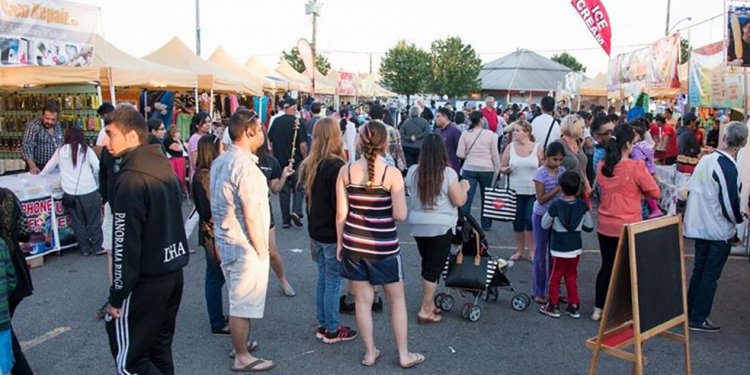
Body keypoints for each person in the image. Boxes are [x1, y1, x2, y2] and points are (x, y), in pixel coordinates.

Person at [103, 104, 189, 375]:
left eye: (110, 134)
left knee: (131, 361)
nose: (105, 141)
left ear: (131, 136)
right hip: (172, 273)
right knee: (159, 351)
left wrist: (117, 296)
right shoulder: (163, 168)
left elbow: (124, 243)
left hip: (146, 280)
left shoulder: (131, 179)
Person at [336, 120, 424, 369]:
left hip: (354, 243)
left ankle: (370, 352)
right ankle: (404, 354)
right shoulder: (392, 174)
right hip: (383, 246)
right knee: (397, 300)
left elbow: (341, 213)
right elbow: (400, 214)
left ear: (360, 142)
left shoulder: (347, 171)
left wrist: (341, 242)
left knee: (362, 301)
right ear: (385, 143)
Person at [210, 109, 275, 372]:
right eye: (259, 129)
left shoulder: (222, 161)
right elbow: (250, 212)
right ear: (249, 132)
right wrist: (262, 249)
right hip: (244, 244)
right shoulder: (245, 166)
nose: (261, 133)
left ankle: (242, 345)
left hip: (227, 239)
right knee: (242, 301)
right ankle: (242, 355)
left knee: (239, 299)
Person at [592, 123, 660, 321]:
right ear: (629, 144)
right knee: (628, 269)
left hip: (605, 224)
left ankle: (599, 307)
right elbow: (655, 192)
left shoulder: (602, 166)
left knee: (607, 266)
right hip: (629, 224)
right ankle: (626, 311)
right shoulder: (636, 167)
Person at [298, 118, 357, 344]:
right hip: (332, 233)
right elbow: (340, 206)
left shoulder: (311, 163)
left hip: (316, 231)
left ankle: (324, 323)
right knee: (332, 280)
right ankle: (332, 327)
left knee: (323, 278)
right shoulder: (337, 166)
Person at [684, 121, 748, 332]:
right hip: (717, 229)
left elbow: (696, 188)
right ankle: (698, 317)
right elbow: (730, 202)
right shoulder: (728, 166)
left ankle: (690, 311)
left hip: (700, 224)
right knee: (710, 274)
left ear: (724, 138)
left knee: (699, 270)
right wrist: (739, 219)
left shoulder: (706, 160)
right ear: (743, 142)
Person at [406, 134, 469, 324]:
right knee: (434, 268)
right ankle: (426, 309)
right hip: (440, 225)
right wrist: (464, 187)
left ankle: (429, 302)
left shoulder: (413, 171)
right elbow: (459, 201)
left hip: (417, 224)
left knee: (428, 263)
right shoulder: (448, 173)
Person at [539, 171, 593, 318]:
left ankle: (553, 305)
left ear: (561, 188)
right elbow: (589, 226)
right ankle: (574, 305)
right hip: (575, 247)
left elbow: (544, 224)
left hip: (559, 248)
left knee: (555, 277)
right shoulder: (582, 206)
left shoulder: (556, 206)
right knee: (571, 276)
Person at [41, 127, 102, 256]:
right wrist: (96, 182)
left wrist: (37, 177)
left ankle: (84, 249)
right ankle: (97, 247)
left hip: (70, 193)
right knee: (94, 220)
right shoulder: (86, 150)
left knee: (77, 221)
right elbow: (97, 167)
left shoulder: (60, 151)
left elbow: (47, 169)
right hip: (89, 190)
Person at [191, 134, 230, 335]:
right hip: (213, 232)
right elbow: (212, 209)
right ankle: (217, 321)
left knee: (214, 276)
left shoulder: (200, 174)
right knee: (216, 277)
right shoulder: (206, 176)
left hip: (208, 230)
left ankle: (217, 318)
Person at [255, 132, 296, 297]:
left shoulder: (270, 161)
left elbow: (275, 189)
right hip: (243, 212)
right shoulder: (242, 159)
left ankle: (283, 279)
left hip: (264, 211)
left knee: (272, 252)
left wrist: (284, 176)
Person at [0, 187, 33, 375]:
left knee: (6, 333)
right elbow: (24, 232)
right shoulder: (8, 195)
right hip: (15, 267)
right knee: (5, 330)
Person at [500, 120, 543, 261]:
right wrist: (506, 170)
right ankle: (519, 250)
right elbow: (502, 167)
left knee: (530, 219)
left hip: (532, 190)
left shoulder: (537, 148)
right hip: (514, 190)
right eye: (514, 130)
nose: (514, 133)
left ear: (527, 132)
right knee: (517, 221)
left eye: (517, 130)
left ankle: (532, 250)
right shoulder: (510, 147)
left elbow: (543, 167)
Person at [530, 142, 566, 305]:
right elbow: (541, 198)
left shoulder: (562, 171)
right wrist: (557, 189)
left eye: (560, 160)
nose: (557, 163)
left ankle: (553, 289)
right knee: (540, 254)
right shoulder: (540, 174)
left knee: (555, 254)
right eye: (554, 159)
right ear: (546, 157)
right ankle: (538, 290)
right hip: (541, 215)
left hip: (557, 216)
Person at [457, 111, 502, 231]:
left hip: (469, 167)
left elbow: (459, 154)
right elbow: (495, 155)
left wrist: (469, 155)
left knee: (467, 197)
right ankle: (486, 224)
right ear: (481, 120)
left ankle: (465, 222)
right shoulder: (491, 135)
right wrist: (498, 170)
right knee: (486, 198)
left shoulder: (465, 134)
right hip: (487, 169)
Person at [268, 97, 308, 228]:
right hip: (295, 160)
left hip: (279, 160)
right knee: (298, 186)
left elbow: (271, 141)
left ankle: (286, 220)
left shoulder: (276, 121)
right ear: (294, 108)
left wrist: (273, 155)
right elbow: (302, 145)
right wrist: (306, 158)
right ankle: (296, 211)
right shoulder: (298, 122)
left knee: (283, 190)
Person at [550, 115, 591, 201]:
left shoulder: (578, 143)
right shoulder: (559, 144)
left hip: (580, 189)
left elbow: (582, 167)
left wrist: (587, 183)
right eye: (582, 127)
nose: (584, 130)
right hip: (564, 191)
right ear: (573, 127)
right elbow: (550, 167)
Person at [630, 120, 662, 219]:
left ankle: (655, 210)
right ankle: (655, 209)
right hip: (650, 171)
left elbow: (638, 165)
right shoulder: (644, 146)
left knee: (647, 195)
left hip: (645, 173)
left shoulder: (636, 150)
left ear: (639, 136)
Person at [22, 101, 64, 174]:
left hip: (55, 166)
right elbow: (27, 147)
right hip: (38, 166)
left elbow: (61, 143)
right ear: (42, 116)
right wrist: (32, 166)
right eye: (47, 118)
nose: (50, 122)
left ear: (57, 118)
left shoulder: (58, 125)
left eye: (53, 119)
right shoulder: (33, 126)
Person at [434, 107, 462, 173]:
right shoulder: (437, 131)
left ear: (445, 117)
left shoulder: (454, 131)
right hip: (438, 167)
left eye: (438, 116)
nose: (436, 119)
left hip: (451, 168)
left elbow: (459, 150)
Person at [163, 125, 189, 195]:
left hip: (181, 161)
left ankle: (181, 190)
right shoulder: (168, 140)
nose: (179, 133)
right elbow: (179, 148)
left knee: (181, 177)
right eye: (178, 132)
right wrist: (180, 143)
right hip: (173, 161)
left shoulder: (179, 140)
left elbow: (186, 147)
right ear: (174, 132)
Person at [188, 111, 211, 181]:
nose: (208, 125)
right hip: (199, 178)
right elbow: (195, 163)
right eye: (204, 123)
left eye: (209, 122)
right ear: (197, 125)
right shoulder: (195, 139)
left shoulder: (207, 137)